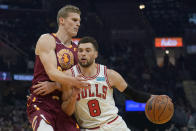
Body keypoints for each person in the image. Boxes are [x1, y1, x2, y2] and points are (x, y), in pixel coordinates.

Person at [38, 36, 170, 130]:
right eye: (80, 50)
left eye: (88, 50)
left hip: (115, 125)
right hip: (90, 128)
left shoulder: (109, 74)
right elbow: (66, 111)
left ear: (95, 54)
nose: (83, 54)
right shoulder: (69, 76)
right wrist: (73, 96)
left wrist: (154, 97)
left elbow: (132, 94)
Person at [27, 5, 90, 131]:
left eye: (79, 21)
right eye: (74, 20)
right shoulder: (47, 39)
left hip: (64, 107)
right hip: (41, 103)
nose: (78, 24)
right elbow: (52, 73)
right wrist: (73, 81)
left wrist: (55, 85)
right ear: (62, 20)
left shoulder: (78, 51)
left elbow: (78, 85)